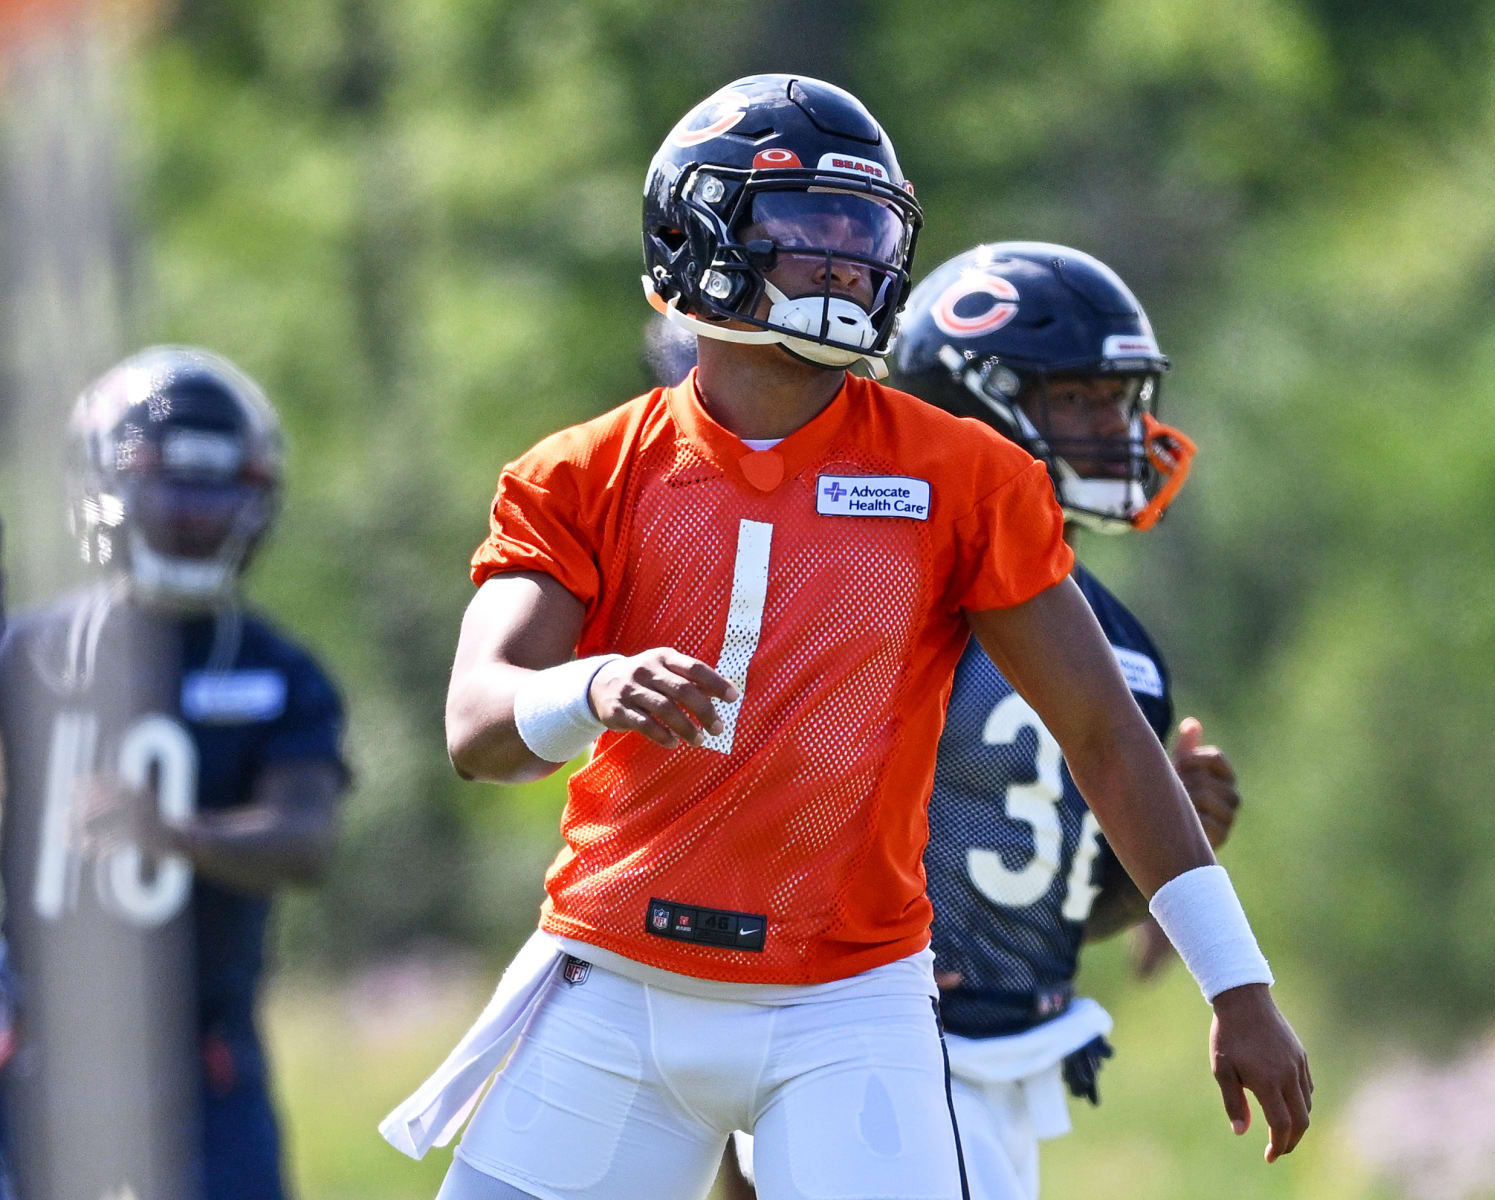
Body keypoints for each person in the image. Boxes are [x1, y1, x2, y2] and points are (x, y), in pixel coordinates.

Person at [380, 75, 1310, 1200]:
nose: (843, 262)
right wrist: (594, 685)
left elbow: (1105, 736)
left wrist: (1239, 986)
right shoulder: (583, 471)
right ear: (696, 232)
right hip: (618, 978)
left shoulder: (962, 475)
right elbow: (480, 728)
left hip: (844, 1002)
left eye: (860, 232)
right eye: (805, 229)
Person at [717, 244, 1241, 1200]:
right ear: (978, 403)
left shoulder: (1120, 650)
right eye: (1076, 401)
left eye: (1116, 399)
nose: (1112, 429)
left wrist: (1160, 864)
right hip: (859, 1036)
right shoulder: (882, 600)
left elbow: (1030, 906)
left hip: (1005, 1053)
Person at [0, 347, 349, 1200]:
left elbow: (307, 842)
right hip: (35, 1039)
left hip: (201, 1050)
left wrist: (174, 835)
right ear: (107, 487)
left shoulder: (276, 668)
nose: (193, 513)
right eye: (169, 486)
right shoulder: (28, 653)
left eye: (216, 489)